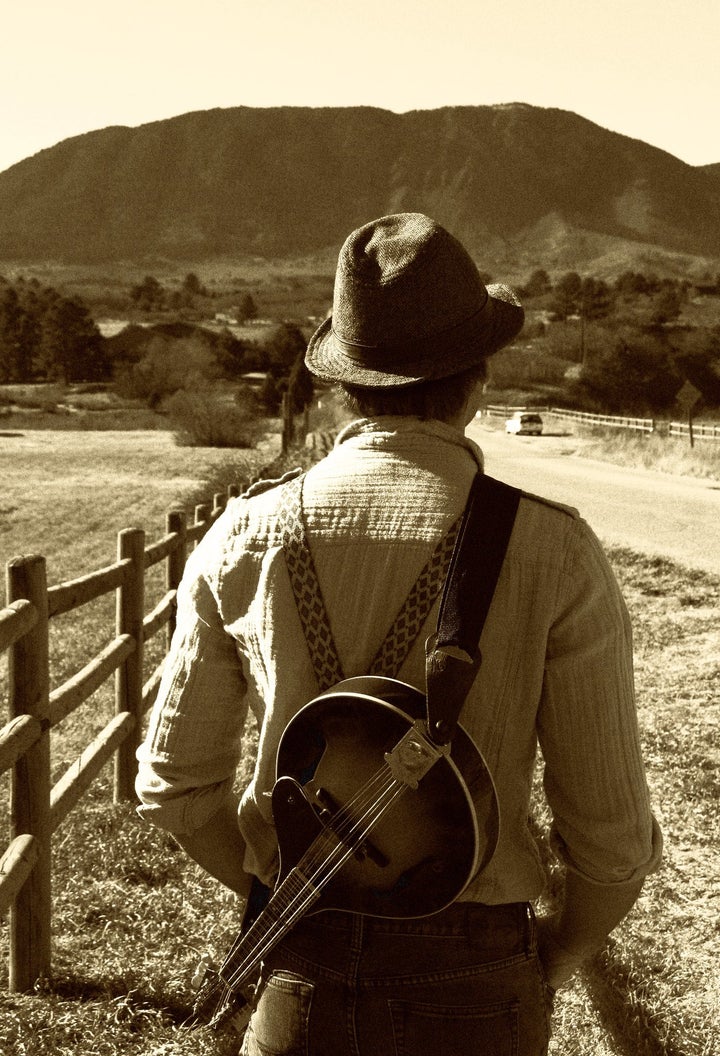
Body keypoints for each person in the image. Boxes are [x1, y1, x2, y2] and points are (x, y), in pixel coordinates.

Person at [136, 212, 662, 1055]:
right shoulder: (553, 549)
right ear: (478, 379)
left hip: (295, 966)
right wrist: (559, 952)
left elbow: (173, 789)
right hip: (477, 980)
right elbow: (609, 839)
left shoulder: (246, 531)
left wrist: (294, 892)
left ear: (343, 384)